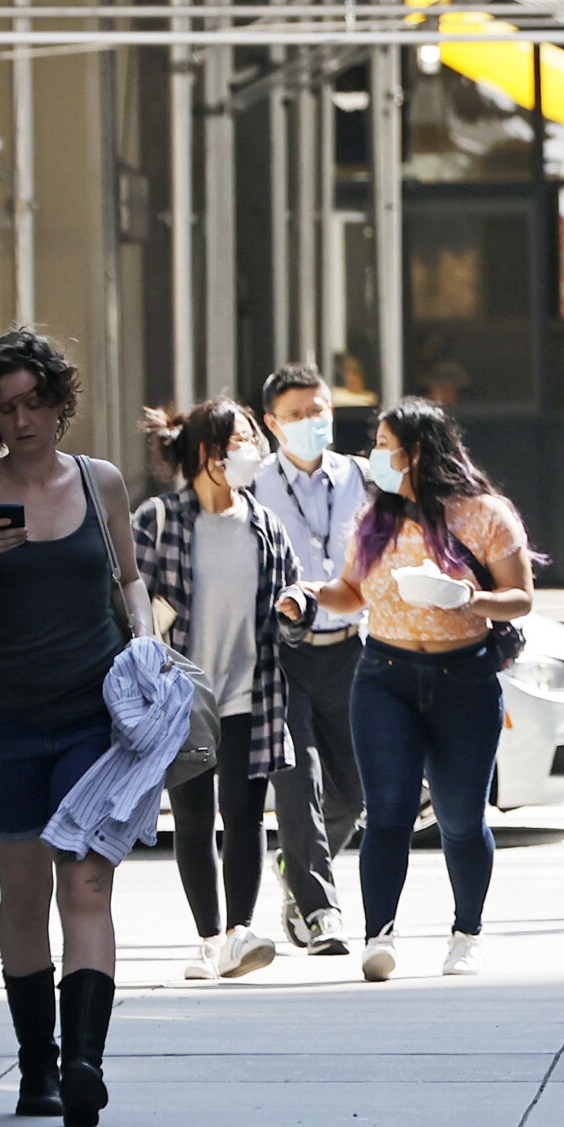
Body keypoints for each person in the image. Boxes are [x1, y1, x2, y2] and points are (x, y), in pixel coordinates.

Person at [0, 329, 153, 1127]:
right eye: (7, 408)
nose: (23, 420)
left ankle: (85, 1062)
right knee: (23, 892)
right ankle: (38, 1067)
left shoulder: (101, 483)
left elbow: (129, 577)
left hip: (95, 723)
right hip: (4, 724)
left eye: (34, 403)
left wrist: (148, 636)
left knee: (86, 883)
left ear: (60, 403)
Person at [283, 399, 535, 983]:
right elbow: (352, 591)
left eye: (383, 443)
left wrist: (468, 600)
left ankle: (466, 934)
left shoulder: (486, 514)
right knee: (388, 813)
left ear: (417, 452)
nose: (374, 454)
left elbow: (521, 597)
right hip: (384, 678)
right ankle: (380, 936)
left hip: (464, 678)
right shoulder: (375, 517)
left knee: (461, 818)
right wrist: (312, 593)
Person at [136, 400, 301, 983]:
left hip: (250, 693)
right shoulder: (159, 520)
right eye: (240, 440)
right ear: (208, 453)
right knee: (194, 817)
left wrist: (295, 607)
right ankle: (208, 940)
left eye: (252, 438)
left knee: (247, 814)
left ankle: (239, 934)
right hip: (182, 696)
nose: (250, 450)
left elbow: (292, 596)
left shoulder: (265, 524)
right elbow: (126, 599)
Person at [253, 363, 370, 957]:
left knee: (357, 790)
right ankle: (322, 911)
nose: (312, 422)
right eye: (297, 415)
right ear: (273, 424)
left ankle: (293, 869)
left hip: (352, 650)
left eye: (319, 410)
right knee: (299, 786)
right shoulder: (254, 486)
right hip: (283, 655)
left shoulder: (365, 480)